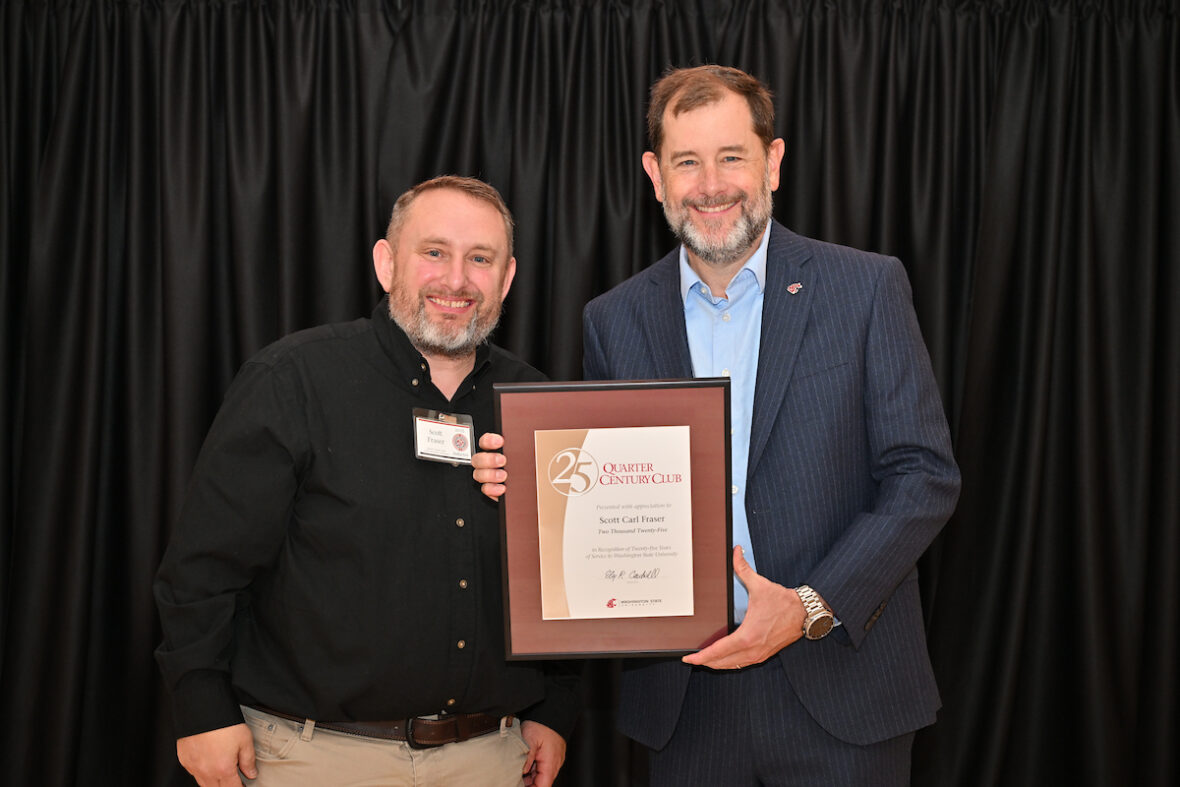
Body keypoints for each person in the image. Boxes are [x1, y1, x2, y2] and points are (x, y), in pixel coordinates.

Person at [474, 66, 960, 785]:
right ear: (655, 175)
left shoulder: (866, 288)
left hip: (842, 687)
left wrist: (807, 606)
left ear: (773, 161)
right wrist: (530, 488)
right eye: (686, 163)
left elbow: (923, 474)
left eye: (732, 156)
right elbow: (600, 496)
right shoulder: (614, 319)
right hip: (686, 704)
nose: (711, 184)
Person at [155, 176, 576, 787]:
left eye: (479, 258)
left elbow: (567, 580)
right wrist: (201, 711)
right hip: (309, 758)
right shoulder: (293, 381)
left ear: (507, 278)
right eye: (434, 252)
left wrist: (556, 710)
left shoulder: (540, 405)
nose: (456, 279)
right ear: (386, 263)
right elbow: (202, 570)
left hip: (491, 758)